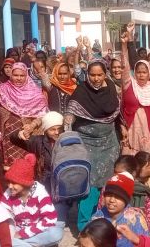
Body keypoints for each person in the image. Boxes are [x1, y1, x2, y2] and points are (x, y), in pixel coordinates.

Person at [64, 60, 121, 231]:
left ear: (105, 74)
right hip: (86, 143)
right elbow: (72, 110)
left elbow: (118, 112)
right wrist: (68, 119)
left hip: (108, 144)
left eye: (99, 75)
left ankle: (102, 222)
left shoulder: (112, 89)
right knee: (88, 183)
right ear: (87, 74)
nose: (96, 79)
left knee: (105, 183)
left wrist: (123, 128)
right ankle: (84, 226)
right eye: (92, 75)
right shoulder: (81, 91)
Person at [0, 62, 47, 169]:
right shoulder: (2, 89)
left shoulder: (35, 93)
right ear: (11, 75)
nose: (19, 78)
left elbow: (42, 115)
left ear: (26, 75)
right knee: (11, 171)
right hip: (9, 139)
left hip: (28, 137)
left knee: (29, 168)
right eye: (16, 75)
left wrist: (31, 126)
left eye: (22, 75)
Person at [0, 154, 63, 247]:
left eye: (14, 183)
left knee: (56, 233)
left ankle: (23, 244)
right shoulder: (8, 194)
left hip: (37, 230)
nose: (10, 186)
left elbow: (50, 219)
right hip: (17, 229)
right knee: (4, 239)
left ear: (24, 183)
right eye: (8, 182)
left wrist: (23, 234)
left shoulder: (40, 193)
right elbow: (2, 216)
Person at [120, 22, 150, 156]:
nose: (141, 75)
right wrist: (124, 44)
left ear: (149, 73)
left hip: (148, 132)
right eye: (138, 72)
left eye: (144, 72)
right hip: (130, 130)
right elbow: (125, 65)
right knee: (130, 162)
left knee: (146, 163)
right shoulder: (129, 84)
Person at [92, 172, 150, 247]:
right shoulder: (98, 216)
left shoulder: (136, 219)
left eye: (117, 196)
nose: (112, 200)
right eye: (109, 195)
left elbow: (145, 243)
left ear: (126, 200)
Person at [11, 111, 63, 195]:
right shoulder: (38, 142)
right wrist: (20, 133)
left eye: (59, 129)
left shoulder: (67, 140)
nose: (57, 132)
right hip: (45, 186)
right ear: (46, 130)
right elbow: (13, 138)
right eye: (52, 129)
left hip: (63, 184)